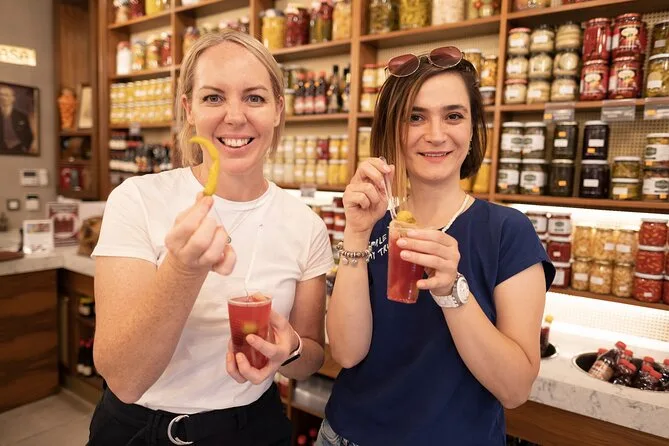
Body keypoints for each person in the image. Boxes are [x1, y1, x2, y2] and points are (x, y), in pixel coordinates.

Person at [88, 30, 333, 446]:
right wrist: (183, 269)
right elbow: (124, 379)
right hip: (139, 430)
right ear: (189, 109)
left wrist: (288, 349)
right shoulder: (137, 200)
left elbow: (310, 357)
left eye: (254, 97)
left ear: (278, 109)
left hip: (253, 428)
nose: (234, 116)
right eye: (214, 97)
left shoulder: (305, 224)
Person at [319, 47, 555, 445]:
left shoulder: (507, 231)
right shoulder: (375, 222)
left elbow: (515, 389)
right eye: (415, 117)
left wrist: (451, 291)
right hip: (345, 435)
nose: (435, 134)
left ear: (473, 129)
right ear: (394, 130)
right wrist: (356, 233)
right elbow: (346, 353)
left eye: (453, 115)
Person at [0, 84, 34, 153]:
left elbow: (28, 137)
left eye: (6, 95)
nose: (3, 97)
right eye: (1, 95)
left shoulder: (22, 116)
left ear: (13, 98)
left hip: (18, 149)